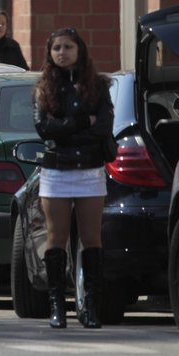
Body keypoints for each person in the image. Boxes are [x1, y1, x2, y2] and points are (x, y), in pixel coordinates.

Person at [33, 27, 114, 329]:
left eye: (68, 47)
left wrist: (67, 128)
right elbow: (44, 129)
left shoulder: (97, 85)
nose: (62, 52)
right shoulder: (44, 87)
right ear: (50, 52)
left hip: (90, 169)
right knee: (56, 237)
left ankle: (90, 306)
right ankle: (57, 306)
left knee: (92, 238)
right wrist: (81, 122)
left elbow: (104, 126)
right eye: (57, 48)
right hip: (56, 170)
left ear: (79, 50)